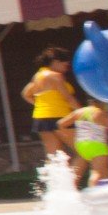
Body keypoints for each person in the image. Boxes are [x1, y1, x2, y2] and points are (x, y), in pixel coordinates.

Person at [22, 46, 83, 186]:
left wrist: (41, 104)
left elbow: (26, 94)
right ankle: (71, 185)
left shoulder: (38, 76)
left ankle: (55, 188)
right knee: (83, 152)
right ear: (55, 61)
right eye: (64, 63)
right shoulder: (55, 76)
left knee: (55, 158)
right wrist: (83, 114)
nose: (67, 66)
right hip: (60, 117)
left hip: (41, 118)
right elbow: (68, 99)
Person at [67, 95, 108, 186]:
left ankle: (67, 191)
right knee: (97, 173)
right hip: (97, 145)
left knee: (77, 174)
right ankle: (94, 192)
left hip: (81, 145)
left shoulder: (79, 112)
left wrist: (73, 136)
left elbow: (61, 124)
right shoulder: (99, 113)